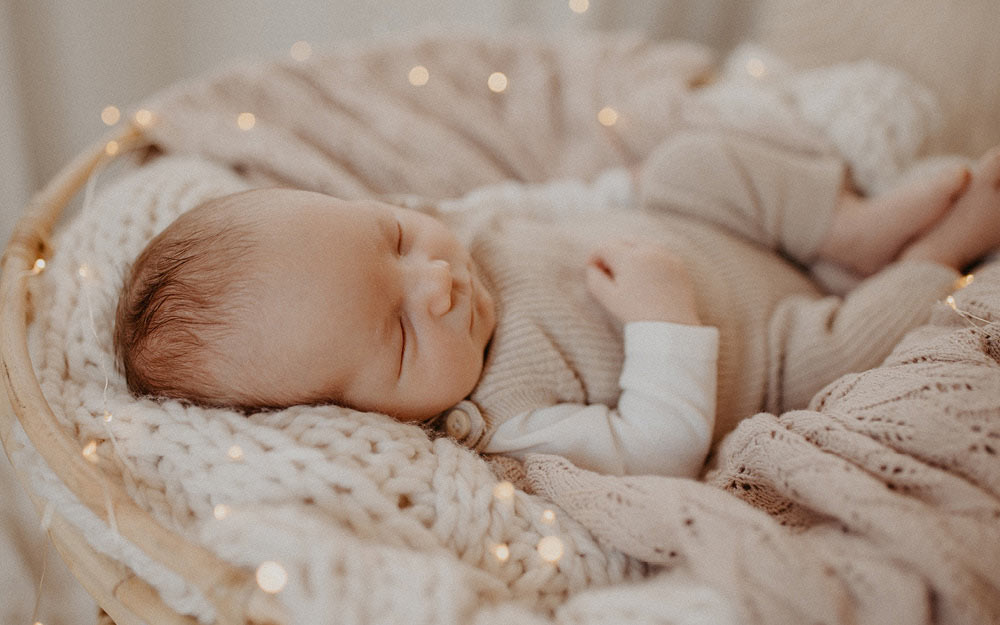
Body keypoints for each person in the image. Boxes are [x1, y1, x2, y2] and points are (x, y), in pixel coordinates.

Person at [113, 128, 1000, 479]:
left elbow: (570, 200)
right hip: (773, 347)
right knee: (855, 352)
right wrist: (661, 321)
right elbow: (656, 448)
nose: (435, 280)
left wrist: (633, 188)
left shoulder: (464, 228)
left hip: (698, 226)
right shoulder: (501, 420)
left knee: (685, 160)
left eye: (390, 236)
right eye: (396, 329)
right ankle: (933, 255)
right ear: (370, 416)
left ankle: (847, 227)